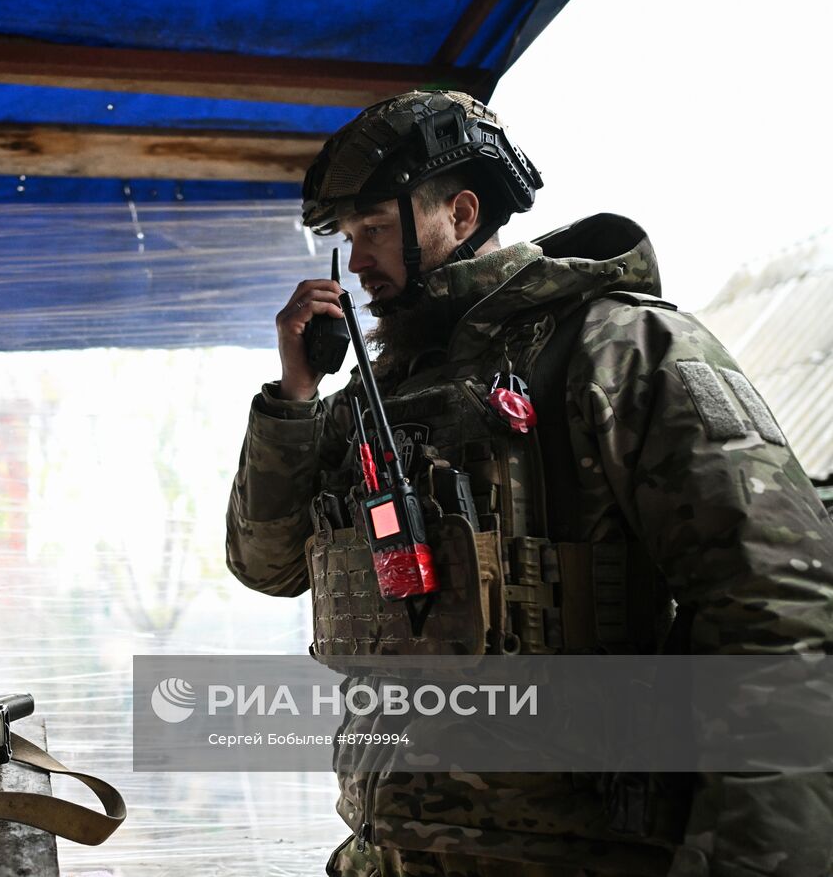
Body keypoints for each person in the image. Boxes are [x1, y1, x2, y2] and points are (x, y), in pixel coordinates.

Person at [225, 90, 833, 877]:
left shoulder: (620, 348)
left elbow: (781, 613)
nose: (358, 259)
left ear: (463, 213)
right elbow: (266, 564)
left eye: (373, 228)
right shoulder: (380, 397)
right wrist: (295, 399)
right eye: (347, 237)